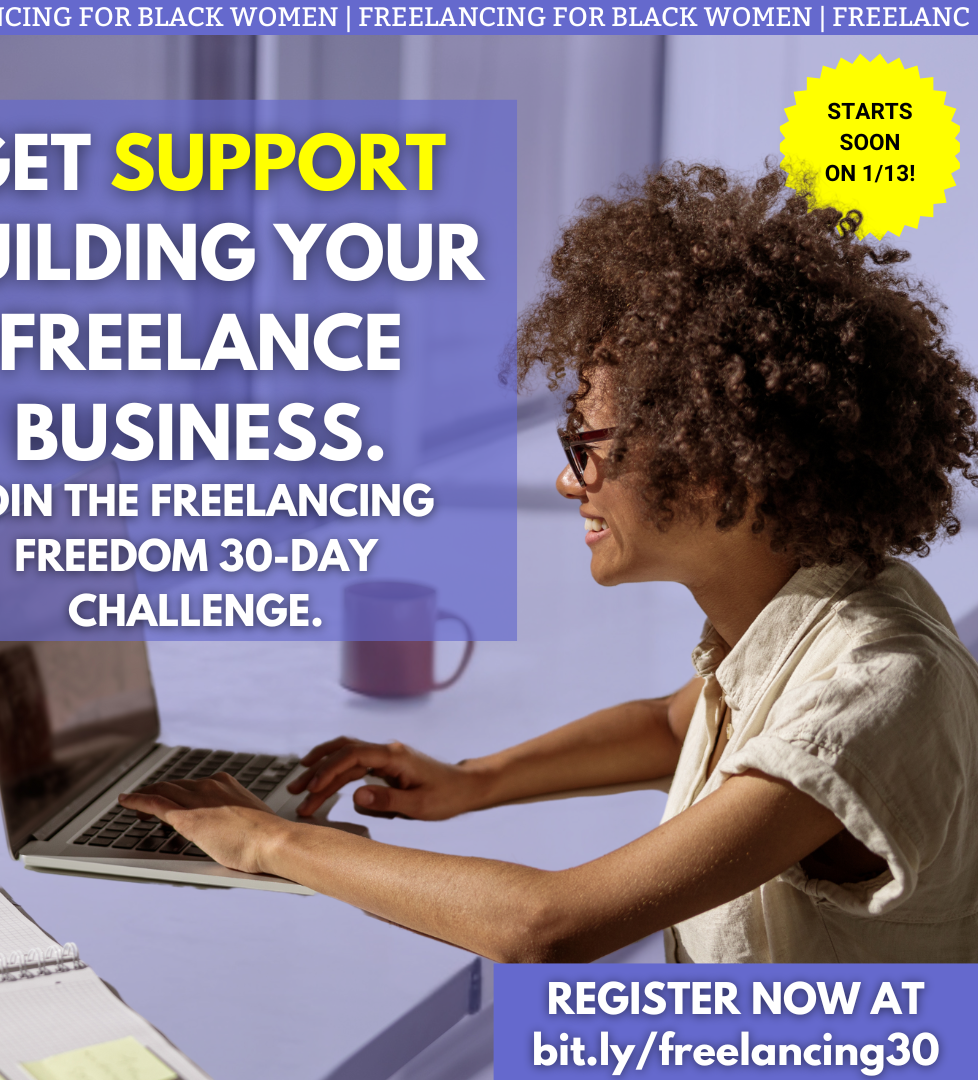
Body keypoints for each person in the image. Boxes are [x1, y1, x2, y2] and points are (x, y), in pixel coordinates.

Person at [120, 164, 978, 963]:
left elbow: (547, 925)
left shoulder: (876, 687)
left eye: (590, 444)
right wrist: (470, 781)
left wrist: (271, 839)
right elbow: (674, 729)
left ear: (724, 463)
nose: (570, 480)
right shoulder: (814, 617)